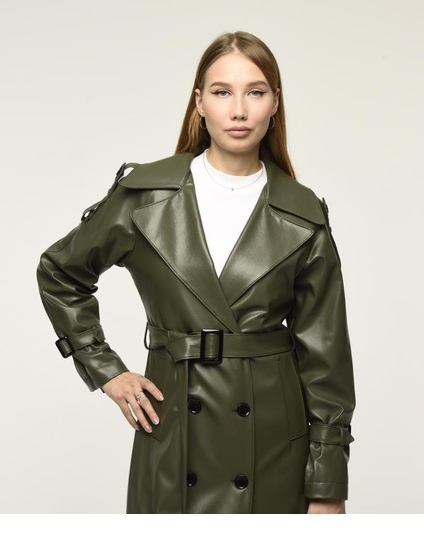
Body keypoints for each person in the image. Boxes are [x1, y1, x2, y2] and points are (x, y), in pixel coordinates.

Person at [37, 30, 355, 514]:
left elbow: (327, 362)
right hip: (174, 432)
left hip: (273, 444)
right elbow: (60, 272)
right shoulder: (145, 196)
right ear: (199, 102)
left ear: (275, 103)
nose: (239, 110)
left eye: (255, 92)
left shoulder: (303, 213)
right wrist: (107, 370)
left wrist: (328, 486)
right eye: (222, 92)